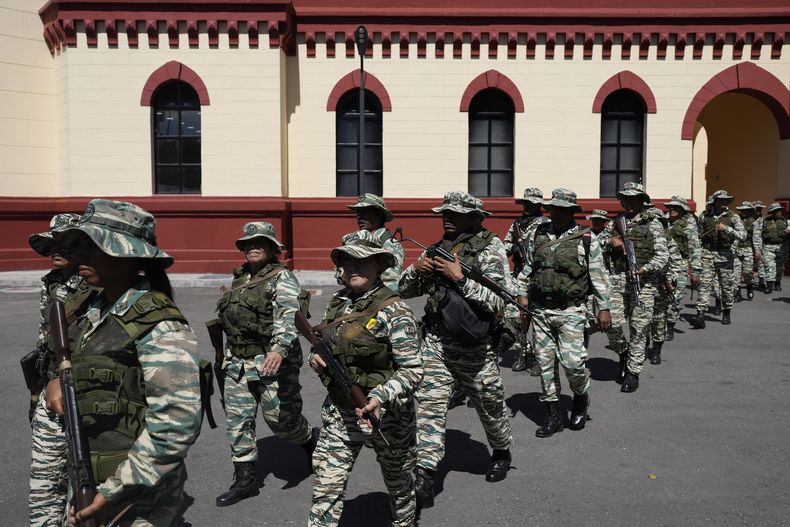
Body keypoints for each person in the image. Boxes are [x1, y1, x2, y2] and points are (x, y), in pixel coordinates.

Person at [48, 199, 202, 525]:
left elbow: (174, 426)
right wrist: (56, 381)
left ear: (126, 253)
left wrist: (113, 492)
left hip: (139, 495)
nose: (81, 255)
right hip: (91, 474)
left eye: (93, 245)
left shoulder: (159, 323)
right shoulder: (93, 309)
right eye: (81, 245)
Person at [399, 191, 514, 509]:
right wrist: (417, 271)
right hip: (437, 344)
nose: (445, 217)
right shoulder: (438, 248)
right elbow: (404, 290)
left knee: (490, 409)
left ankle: (502, 451)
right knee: (428, 408)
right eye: (443, 213)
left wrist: (461, 279)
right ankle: (424, 475)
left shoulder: (491, 249)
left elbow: (498, 302)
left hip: (476, 349)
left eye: (454, 213)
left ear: (474, 218)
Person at [308, 231, 423, 527]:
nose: (353, 267)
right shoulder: (338, 301)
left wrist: (380, 397)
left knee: (399, 486)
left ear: (379, 266)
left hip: (388, 416)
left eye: (362, 261)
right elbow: (323, 342)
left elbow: (412, 370)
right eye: (347, 261)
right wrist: (316, 358)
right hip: (341, 411)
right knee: (326, 488)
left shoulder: (395, 311)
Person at [214, 222, 318, 507]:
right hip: (238, 361)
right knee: (238, 420)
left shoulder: (281, 277)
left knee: (282, 423)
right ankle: (245, 478)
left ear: (273, 248)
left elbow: (288, 315)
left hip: (272, 360)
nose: (252, 247)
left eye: (259, 242)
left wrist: (279, 349)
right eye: (248, 243)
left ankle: (309, 440)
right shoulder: (239, 278)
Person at [516, 189, 612, 437]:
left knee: (573, 364)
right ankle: (553, 415)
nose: (555, 213)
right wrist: (522, 292)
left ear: (572, 212)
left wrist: (604, 308)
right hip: (541, 311)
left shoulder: (586, 238)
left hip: (571, 311)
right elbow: (530, 266)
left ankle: (580, 398)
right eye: (553, 209)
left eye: (561, 209)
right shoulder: (539, 234)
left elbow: (598, 277)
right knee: (546, 365)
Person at [28, 213, 97, 527]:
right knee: (45, 478)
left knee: (81, 470)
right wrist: (35, 390)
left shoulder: (93, 282)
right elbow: (45, 340)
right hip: (49, 385)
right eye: (53, 243)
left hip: (79, 386)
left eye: (66, 244)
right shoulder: (52, 281)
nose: (57, 249)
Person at [597, 182, 668, 393]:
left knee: (639, 330)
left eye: (632, 199)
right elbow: (596, 244)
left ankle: (633, 372)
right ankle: (623, 352)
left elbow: (663, 255)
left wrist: (645, 269)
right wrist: (612, 240)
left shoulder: (653, 224)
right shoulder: (615, 223)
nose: (627, 202)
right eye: (624, 199)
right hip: (618, 280)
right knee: (612, 325)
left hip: (643, 284)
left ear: (641, 201)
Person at [500, 187, 548, 374]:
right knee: (515, 317)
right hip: (519, 276)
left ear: (538, 205)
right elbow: (504, 246)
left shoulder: (546, 223)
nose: (527, 206)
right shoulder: (517, 224)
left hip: (539, 276)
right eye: (525, 203)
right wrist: (514, 247)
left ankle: (538, 359)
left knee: (538, 320)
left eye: (530, 203)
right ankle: (523, 353)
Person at [692, 190, 746, 327]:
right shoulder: (704, 216)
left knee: (727, 287)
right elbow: (698, 235)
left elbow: (743, 235)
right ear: (714, 201)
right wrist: (697, 254)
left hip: (725, 255)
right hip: (707, 254)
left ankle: (727, 311)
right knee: (704, 285)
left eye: (726, 200)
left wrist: (727, 229)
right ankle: (700, 314)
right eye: (721, 200)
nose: (723, 203)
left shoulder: (733, 217)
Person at [342, 194, 404, 291]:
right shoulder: (355, 240)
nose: (359, 217)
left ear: (378, 214)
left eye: (365, 212)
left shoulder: (390, 244)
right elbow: (341, 273)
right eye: (358, 212)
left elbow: (391, 284)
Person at [646, 208, 684, 365]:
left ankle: (656, 349)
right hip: (645, 283)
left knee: (659, 319)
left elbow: (676, 262)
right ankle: (641, 347)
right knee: (642, 319)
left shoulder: (668, 240)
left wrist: (671, 281)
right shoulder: (642, 237)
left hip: (662, 284)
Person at [663, 196, 702, 340]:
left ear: (682, 210)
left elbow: (695, 249)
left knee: (676, 296)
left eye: (676, 207)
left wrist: (696, 272)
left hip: (680, 264)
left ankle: (670, 325)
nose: (672, 209)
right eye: (670, 207)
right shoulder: (661, 222)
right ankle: (659, 324)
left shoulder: (688, 226)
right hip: (662, 264)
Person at [755, 203, 789, 293]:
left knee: (779, 267)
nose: (779, 212)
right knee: (769, 266)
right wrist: (758, 249)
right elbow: (757, 236)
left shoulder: (786, 222)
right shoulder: (763, 221)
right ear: (772, 212)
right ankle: (769, 286)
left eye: (780, 210)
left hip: (782, 247)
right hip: (768, 246)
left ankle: (777, 282)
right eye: (777, 211)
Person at [733, 201, 757, 300]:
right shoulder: (735, 220)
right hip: (736, 248)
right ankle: (737, 293)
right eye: (742, 210)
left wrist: (757, 251)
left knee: (747, 272)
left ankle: (749, 287)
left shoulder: (754, 222)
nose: (744, 212)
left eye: (746, 210)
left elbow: (756, 237)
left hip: (748, 248)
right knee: (736, 272)